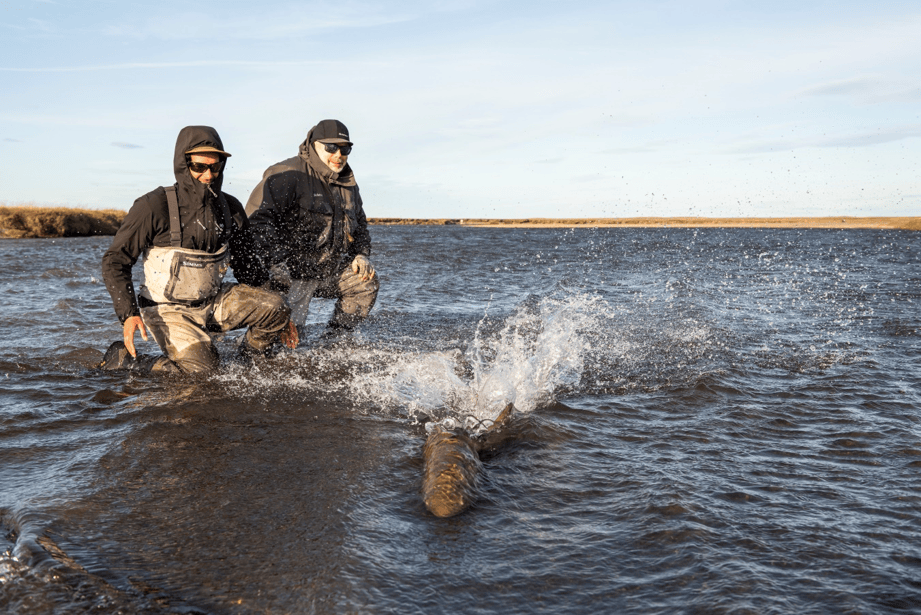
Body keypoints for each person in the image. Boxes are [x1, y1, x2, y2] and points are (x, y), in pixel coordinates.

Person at [100, 125, 296, 373]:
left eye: (215, 167)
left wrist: (280, 317)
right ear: (184, 164)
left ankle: (248, 368)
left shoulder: (232, 209)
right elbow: (115, 261)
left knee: (276, 307)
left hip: (213, 302)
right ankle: (131, 362)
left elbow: (247, 266)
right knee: (204, 371)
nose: (208, 175)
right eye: (199, 167)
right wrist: (129, 314)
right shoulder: (153, 205)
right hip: (168, 309)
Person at [232, 119, 379, 335]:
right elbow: (256, 222)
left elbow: (361, 227)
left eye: (345, 148)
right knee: (284, 342)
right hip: (289, 275)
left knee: (365, 282)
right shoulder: (286, 173)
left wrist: (360, 254)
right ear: (313, 145)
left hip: (326, 271)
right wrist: (277, 264)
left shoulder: (349, 184)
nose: (339, 154)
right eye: (331, 147)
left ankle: (334, 343)